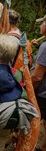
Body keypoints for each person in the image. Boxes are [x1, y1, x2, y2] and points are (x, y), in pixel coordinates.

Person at [32, 15, 46, 151]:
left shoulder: (45, 46)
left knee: (30, 121)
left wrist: (29, 89)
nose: (40, 26)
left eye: (42, 23)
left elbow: (37, 77)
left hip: (42, 94)